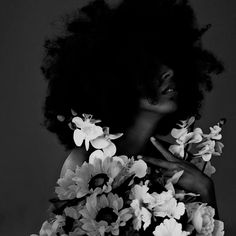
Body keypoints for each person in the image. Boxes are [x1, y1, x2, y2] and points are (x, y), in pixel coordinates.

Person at [41, 0, 224, 218]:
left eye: (170, 60)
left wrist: (205, 190)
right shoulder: (84, 164)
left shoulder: (181, 170)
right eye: (151, 65)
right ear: (118, 79)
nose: (169, 72)